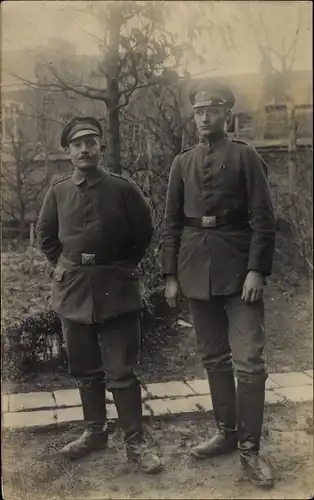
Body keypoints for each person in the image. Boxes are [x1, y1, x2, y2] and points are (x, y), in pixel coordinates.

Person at [162, 83, 276, 488]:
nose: (203, 117)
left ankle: (250, 448)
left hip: (239, 269)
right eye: (197, 111)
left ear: (226, 114)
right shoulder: (182, 163)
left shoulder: (246, 156)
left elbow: (263, 219)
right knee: (213, 358)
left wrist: (256, 271)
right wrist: (170, 275)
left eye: (211, 110)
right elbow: (171, 222)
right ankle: (226, 433)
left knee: (250, 362)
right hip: (195, 270)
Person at [36, 116, 162, 474]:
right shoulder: (58, 192)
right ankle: (95, 433)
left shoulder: (123, 189)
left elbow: (144, 231)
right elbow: (46, 237)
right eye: (77, 144)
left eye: (91, 142)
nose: (84, 149)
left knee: (121, 371)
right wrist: (63, 265)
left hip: (116, 289)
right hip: (73, 290)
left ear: (101, 147)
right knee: (85, 369)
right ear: (68, 152)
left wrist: (120, 266)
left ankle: (135, 443)